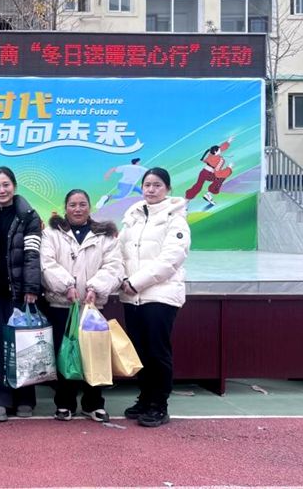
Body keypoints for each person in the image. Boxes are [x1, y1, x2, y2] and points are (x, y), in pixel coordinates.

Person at [40, 189, 123, 423]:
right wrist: (67, 286)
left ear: (90, 207)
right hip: (61, 306)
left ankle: (93, 404)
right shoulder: (52, 233)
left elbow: (114, 266)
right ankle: (64, 403)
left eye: (82, 204)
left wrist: (95, 288)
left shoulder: (105, 235)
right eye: (73, 205)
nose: (78, 209)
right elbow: (46, 264)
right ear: (65, 207)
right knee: (65, 353)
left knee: (94, 355)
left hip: (92, 307)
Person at [119, 168, 190, 428]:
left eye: (157, 185)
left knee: (157, 351)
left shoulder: (175, 219)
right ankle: (145, 398)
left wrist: (135, 282)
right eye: (147, 184)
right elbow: (120, 252)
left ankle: (159, 405)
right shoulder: (133, 217)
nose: (151, 189)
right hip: (132, 297)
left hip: (160, 296)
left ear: (168, 189)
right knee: (139, 351)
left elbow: (171, 259)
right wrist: (121, 279)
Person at [0, 166, 43, 422]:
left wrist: (31, 288)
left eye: (5, 185)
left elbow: (32, 254)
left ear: (14, 186)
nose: (1, 190)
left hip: (19, 294)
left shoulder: (29, 216)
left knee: (24, 347)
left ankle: (24, 399)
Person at [184, 137, 233, 206]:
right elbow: (218, 173)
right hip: (209, 174)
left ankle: (186, 199)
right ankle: (209, 194)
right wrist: (229, 168)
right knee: (221, 177)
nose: (220, 150)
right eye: (219, 150)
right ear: (216, 152)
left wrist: (228, 141)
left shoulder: (211, 154)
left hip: (203, 172)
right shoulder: (220, 160)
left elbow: (220, 148)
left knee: (198, 185)